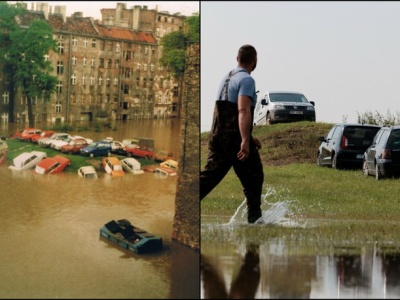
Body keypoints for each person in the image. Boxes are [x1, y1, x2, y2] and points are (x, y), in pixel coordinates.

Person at [200, 44, 264, 224]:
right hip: (234, 139)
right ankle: (255, 219)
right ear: (255, 61)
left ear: (237, 58)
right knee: (254, 176)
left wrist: (250, 137)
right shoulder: (247, 80)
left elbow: (226, 113)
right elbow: (242, 110)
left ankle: (187, 200)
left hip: (217, 135)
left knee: (209, 177)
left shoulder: (227, 77)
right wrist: (244, 140)